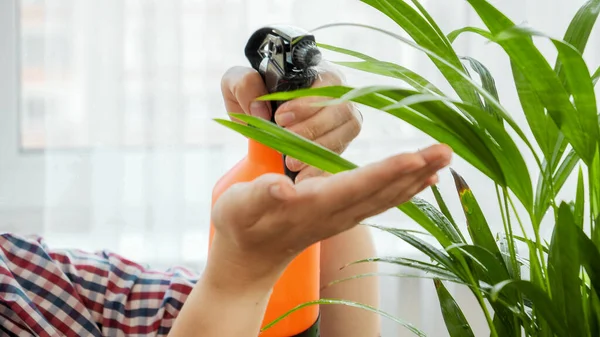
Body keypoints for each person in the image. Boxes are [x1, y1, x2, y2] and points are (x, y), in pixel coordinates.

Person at [0, 63, 452, 337]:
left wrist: (311, 146)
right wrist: (239, 276)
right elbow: (232, 291)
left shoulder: (29, 275)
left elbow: (197, 313)